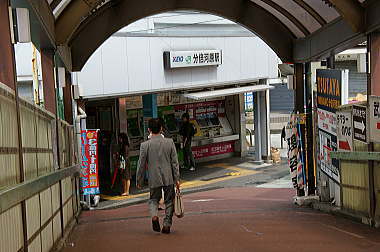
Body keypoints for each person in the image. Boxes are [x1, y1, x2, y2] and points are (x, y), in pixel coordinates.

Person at [136, 118, 180, 234]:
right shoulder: (169, 142)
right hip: (168, 176)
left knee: (153, 199)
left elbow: (141, 164)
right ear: (161, 128)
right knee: (169, 201)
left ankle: (154, 216)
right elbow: (175, 163)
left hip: (154, 177)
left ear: (149, 130)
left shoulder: (145, 145)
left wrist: (139, 179)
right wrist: (177, 179)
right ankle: (166, 224)